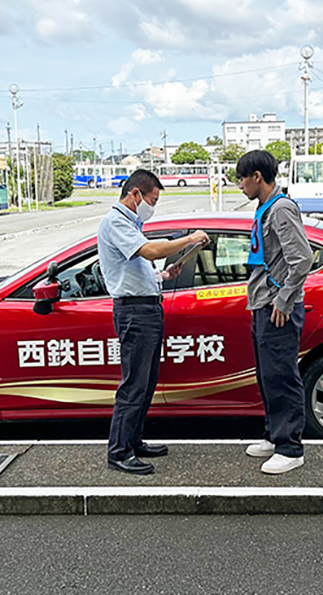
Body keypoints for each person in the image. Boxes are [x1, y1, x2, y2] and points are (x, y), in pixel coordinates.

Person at [97, 169, 209, 475]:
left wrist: (164, 276)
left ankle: (133, 441)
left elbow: (136, 268)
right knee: (134, 384)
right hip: (135, 312)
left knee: (145, 383)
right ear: (135, 194)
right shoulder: (116, 222)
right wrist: (189, 238)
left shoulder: (131, 223)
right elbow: (147, 251)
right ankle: (119, 451)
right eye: (152, 199)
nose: (153, 206)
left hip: (146, 308)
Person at [237, 150, 314, 475]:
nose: (239, 185)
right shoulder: (265, 209)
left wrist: (283, 300)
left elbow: (302, 259)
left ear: (257, 176)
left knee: (282, 376)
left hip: (277, 308)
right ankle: (274, 435)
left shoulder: (280, 209)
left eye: (242, 178)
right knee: (268, 376)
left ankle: (290, 447)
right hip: (262, 304)